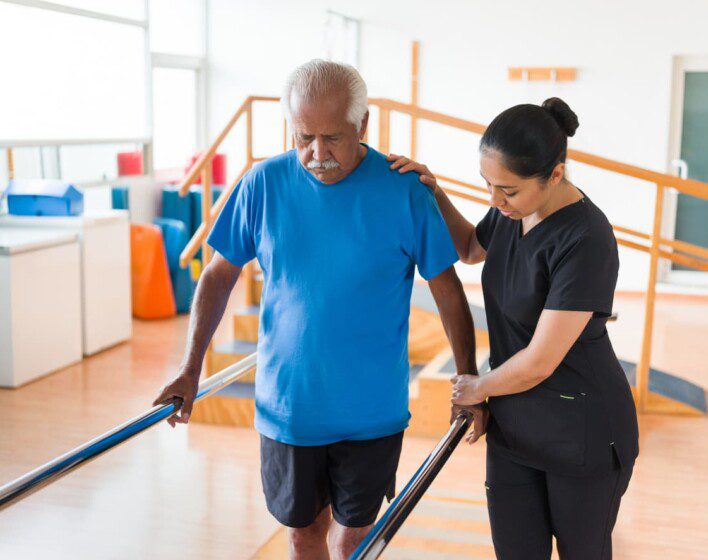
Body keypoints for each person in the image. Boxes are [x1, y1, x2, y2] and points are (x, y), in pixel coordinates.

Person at [153, 59, 486, 560]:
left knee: (355, 539)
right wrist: (189, 367)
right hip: (290, 409)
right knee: (303, 535)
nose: (316, 153)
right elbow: (220, 274)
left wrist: (468, 379)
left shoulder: (403, 190)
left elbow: (448, 291)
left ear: (364, 125)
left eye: (332, 138)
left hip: (371, 412)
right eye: (303, 136)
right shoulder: (262, 184)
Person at [387, 97, 639, 560]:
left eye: (507, 190)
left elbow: (541, 360)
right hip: (516, 428)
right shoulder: (512, 213)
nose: (494, 200)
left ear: (556, 175)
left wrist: (477, 387)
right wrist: (432, 190)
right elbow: (467, 247)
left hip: (581, 430)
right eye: (488, 185)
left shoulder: (586, 238)